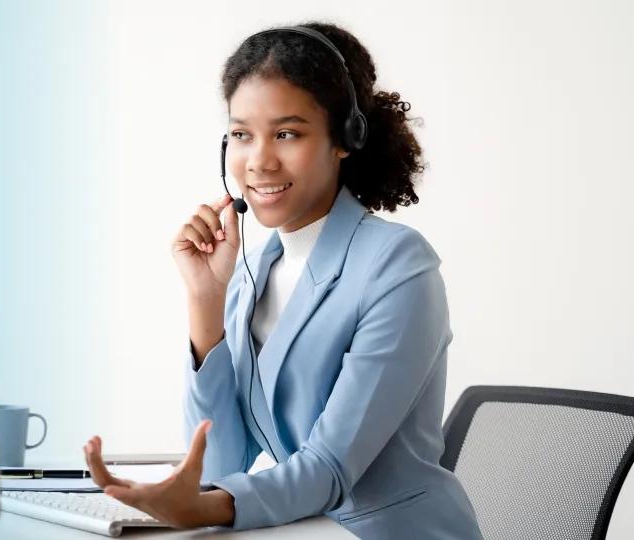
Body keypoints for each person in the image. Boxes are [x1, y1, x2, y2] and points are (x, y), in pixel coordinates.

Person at [83, 21, 484, 539]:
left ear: (344, 139)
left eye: (287, 133)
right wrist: (206, 302)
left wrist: (204, 509)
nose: (259, 161)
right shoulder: (254, 270)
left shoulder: (397, 265)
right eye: (241, 135)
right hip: (304, 529)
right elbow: (220, 465)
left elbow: (330, 468)